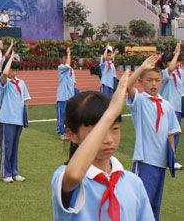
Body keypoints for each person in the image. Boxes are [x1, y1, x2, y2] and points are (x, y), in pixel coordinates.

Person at [51, 71, 155, 220]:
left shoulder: (133, 183)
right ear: (72, 134)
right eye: (97, 131)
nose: (108, 140)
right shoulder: (65, 177)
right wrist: (110, 113)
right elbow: (74, 175)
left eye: (114, 129)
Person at [126, 55, 181, 221]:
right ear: (141, 81)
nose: (154, 84)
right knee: (141, 204)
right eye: (149, 80)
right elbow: (127, 86)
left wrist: (171, 158)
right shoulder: (140, 101)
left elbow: (171, 133)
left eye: (157, 80)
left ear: (162, 81)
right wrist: (142, 67)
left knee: (154, 206)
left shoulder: (167, 105)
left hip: (160, 164)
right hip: (145, 162)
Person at [0, 52, 30, 183]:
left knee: (15, 147)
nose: (14, 73)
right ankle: (6, 173)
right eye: (12, 70)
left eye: (16, 70)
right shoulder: (4, 83)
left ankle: (14, 171)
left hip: (18, 119)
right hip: (7, 119)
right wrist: (10, 59)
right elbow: (4, 74)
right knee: (7, 146)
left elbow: (25, 100)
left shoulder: (21, 83)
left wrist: (25, 117)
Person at [158, 46, 183, 170]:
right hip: (168, 108)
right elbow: (171, 66)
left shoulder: (179, 73)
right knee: (169, 134)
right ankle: (170, 160)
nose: (177, 63)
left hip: (178, 108)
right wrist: (177, 52)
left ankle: (171, 158)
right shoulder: (164, 73)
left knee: (175, 134)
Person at [56, 47, 76, 141]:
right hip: (62, 96)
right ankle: (62, 131)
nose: (65, 59)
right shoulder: (61, 67)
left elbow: (73, 82)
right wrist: (69, 53)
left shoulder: (71, 69)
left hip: (70, 95)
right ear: (60, 59)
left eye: (66, 57)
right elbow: (67, 66)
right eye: (64, 57)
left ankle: (68, 131)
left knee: (69, 114)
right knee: (62, 114)